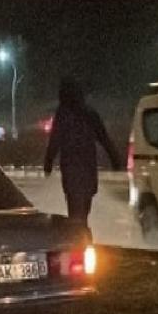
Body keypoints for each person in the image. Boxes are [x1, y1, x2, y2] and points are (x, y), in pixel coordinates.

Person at [44, 77, 123, 227]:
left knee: (74, 210)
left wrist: (48, 162)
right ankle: (82, 232)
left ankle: (78, 234)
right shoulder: (89, 113)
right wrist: (115, 159)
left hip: (71, 170)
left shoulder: (63, 115)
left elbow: (55, 140)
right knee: (84, 210)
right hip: (87, 168)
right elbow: (104, 138)